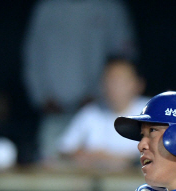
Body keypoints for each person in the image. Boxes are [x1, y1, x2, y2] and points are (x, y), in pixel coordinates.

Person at [23, 0, 137, 161]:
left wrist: (98, 93)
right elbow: (33, 55)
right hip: (55, 110)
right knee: (51, 160)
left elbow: (122, 54)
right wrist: (42, 96)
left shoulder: (109, 7)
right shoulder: (47, 8)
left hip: (100, 105)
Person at [57, 58, 147, 171]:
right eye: (109, 80)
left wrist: (116, 160)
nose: (114, 87)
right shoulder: (90, 113)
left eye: (120, 81)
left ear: (138, 84)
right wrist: (84, 156)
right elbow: (64, 150)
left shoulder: (152, 111)